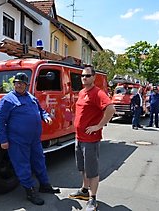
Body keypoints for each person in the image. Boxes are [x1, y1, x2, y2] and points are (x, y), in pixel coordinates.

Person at [0, 72, 60, 206]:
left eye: (21, 83)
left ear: (26, 85)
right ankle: (30, 191)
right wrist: (3, 140)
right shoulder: (7, 100)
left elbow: (41, 110)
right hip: (18, 140)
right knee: (22, 165)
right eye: (17, 83)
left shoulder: (31, 98)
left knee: (39, 161)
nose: (19, 85)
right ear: (14, 84)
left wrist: (45, 116)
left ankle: (44, 185)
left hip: (34, 139)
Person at [68, 66, 115, 211]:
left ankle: (93, 199)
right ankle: (84, 190)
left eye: (87, 76)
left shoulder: (98, 93)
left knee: (92, 171)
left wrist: (98, 126)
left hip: (90, 140)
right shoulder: (82, 92)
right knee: (83, 168)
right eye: (82, 76)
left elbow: (111, 109)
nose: (84, 78)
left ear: (94, 77)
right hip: (79, 137)